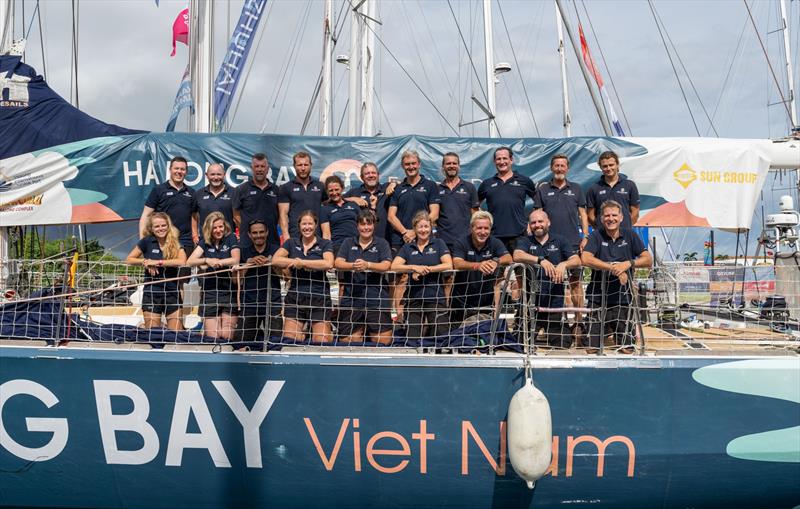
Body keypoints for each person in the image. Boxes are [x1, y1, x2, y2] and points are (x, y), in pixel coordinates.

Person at [581, 200, 652, 351]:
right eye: (607, 216)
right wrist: (613, 267)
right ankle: (603, 332)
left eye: (614, 215)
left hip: (623, 298)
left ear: (621, 218)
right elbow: (585, 258)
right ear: (601, 219)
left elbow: (648, 259)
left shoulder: (630, 235)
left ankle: (612, 332)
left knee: (627, 348)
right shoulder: (596, 236)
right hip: (598, 298)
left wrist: (628, 263)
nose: (610, 218)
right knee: (591, 348)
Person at [533, 154, 589, 335]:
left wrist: (585, 236)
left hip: (572, 243)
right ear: (551, 168)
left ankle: (579, 323)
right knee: (547, 284)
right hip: (550, 245)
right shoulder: (542, 190)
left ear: (567, 168)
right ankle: (548, 322)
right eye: (556, 165)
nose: (559, 168)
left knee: (575, 284)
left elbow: (583, 214)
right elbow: (538, 216)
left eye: (562, 165)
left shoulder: (577, 189)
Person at [513, 210, 581, 347]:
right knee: (519, 344)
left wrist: (564, 264)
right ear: (529, 225)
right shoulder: (525, 241)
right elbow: (517, 255)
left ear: (548, 222)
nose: (537, 225)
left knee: (563, 344)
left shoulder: (560, 240)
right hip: (530, 305)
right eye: (533, 222)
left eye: (540, 221)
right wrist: (540, 260)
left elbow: (576, 260)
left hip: (554, 305)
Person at [271, 211, 335, 343]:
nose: (307, 227)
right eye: (304, 224)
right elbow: (275, 260)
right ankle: (303, 336)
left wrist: (303, 262)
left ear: (316, 225)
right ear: (299, 226)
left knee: (321, 340)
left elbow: (328, 263)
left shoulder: (325, 244)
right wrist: (293, 262)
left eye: (310, 223)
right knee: (290, 339)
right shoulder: (291, 243)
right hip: (296, 296)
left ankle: (317, 333)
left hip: (319, 296)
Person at [391, 211, 453, 341]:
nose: (423, 230)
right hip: (414, 298)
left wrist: (428, 269)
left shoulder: (438, 243)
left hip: (435, 297)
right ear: (414, 229)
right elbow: (394, 266)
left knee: (441, 335)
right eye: (420, 227)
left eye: (426, 226)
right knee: (413, 337)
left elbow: (448, 264)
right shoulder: (408, 247)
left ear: (431, 228)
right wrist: (413, 267)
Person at [334, 209, 393, 344]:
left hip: (376, 298)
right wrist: (353, 266)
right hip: (352, 298)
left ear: (374, 225)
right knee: (349, 341)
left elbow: (386, 265)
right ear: (357, 226)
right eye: (362, 224)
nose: (366, 227)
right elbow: (337, 262)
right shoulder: (348, 242)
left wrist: (368, 265)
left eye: (369, 224)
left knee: (382, 341)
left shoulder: (382, 243)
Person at [125, 212, 187, 331]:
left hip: (172, 291)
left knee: (176, 334)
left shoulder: (175, 241)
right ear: (151, 229)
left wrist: (157, 262)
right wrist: (146, 262)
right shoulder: (146, 241)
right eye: (157, 226)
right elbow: (129, 259)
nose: (160, 229)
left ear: (168, 226)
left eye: (163, 225)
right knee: (153, 334)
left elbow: (182, 261)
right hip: (152, 292)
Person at [450, 211, 512, 327]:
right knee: (458, 338)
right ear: (471, 228)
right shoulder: (461, 242)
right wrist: (478, 265)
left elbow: (508, 257)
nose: (483, 232)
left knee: (484, 338)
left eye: (486, 228)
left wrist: (496, 261)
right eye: (479, 228)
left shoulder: (495, 242)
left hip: (486, 301)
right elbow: (457, 263)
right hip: (461, 301)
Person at [187, 212, 241, 340]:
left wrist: (219, 262)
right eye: (215, 228)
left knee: (226, 335)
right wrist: (206, 260)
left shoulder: (231, 238)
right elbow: (190, 261)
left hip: (229, 292)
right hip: (210, 292)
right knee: (214, 336)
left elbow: (236, 259)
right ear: (209, 229)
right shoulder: (205, 242)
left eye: (220, 227)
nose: (218, 230)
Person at [477, 146, 536, 253]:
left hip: (519, 235)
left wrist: (530, 222)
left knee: (520, 268)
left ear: (511, 160)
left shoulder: (524, 181)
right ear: (495, 162)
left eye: (505, 158)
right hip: (494, 236)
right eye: (498, 159)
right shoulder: (487, 184)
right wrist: (484, 221)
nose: (502, 162)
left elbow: (539, 203)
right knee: (497, 269)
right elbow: (475, 206)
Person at [233, 220, 282, 345]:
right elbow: (235, 280)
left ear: (267, 232)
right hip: (250, 304)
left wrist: (272, 263)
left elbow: (286, 277)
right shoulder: (243, 252)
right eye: (255, 233)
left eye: (261, 232)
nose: (258, 235)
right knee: (240, 342)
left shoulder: (277, 250)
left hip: (272, 303)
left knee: (276, 343)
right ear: (249, 235)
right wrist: (249, 264)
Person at [139, 156, 197, 256]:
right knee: (163, 271)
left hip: (185, 241)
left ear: (186, 172)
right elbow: (145, 215)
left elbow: (194, 217)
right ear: (170, 170)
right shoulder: (158, 190)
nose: (179, 171)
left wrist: (195, 236)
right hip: (162, 241)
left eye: (182, 169)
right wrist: (143, 241)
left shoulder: (191, 192)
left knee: (184, 272)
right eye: (176, 168)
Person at [387, 150, 441, 250]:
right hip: (401, 239)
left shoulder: (430, 185)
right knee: (397, 266)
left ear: (419, 164)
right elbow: (391, 216)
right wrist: (405, 232)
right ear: (403, 166)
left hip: (424, 238)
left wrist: (415, 232)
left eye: (413, 163)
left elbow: (434, 214)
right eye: (407, 164)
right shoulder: (397, 188)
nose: (411, 167)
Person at [232, 153, 279, 247]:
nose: (260, 169)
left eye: (262, 166)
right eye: (256, 166)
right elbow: (236, 215)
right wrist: (247, 230)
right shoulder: (241, 189)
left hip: (272, 241)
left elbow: (280, 214)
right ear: (251, 167)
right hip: (247, 242)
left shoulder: (276, 190)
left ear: (268, 168)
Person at [586, 150, 640, 230]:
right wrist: (600, 228)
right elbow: (590, 215)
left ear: (617, 165)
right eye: (605, 166)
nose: (608, 168)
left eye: (611, 165)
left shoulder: (630, 185)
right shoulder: (594, 188)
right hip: (602, 236)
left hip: (624, 234)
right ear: (600, 167)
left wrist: (626, 227)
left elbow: (635, 213)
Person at [278, 151, 326, 241]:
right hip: (295, 237)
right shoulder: (286, 188)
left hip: (317, 236)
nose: (303, 168)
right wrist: (286, 236)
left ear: (311, 165)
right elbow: (283, 215)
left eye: (306, 165)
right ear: (294, 166)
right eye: (300, 165)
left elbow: (331, 203)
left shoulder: (320, 186)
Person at [344, 162, 396, 242]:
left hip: (386, 240)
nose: (371, 175)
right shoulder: (355, 192)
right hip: (362, 242)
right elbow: (337, 199)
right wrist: (353, 199)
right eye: (367, 173)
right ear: (361, 177)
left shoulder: (386, 188)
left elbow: (404, 184)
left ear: (378, 175)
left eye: (373, 173)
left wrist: (393, 184)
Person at [437, 152, 479, 250]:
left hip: (466, 241)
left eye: (454, 163)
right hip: (443, 241)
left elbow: (475, 216)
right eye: (448, 163)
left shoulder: (470, 187)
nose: (452, 166)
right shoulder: (437, 189)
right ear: (443, 166)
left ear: (458, 166)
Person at [193, 163, 234, 245]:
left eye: (219, 174)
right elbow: (194, 216)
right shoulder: (198, 194)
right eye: (212, 174)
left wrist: (239, 233)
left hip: (228, 240)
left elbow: (238, 216)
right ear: (206, 175)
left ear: (224, 175)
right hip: (205, 241)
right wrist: (195, 235)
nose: (216, 178)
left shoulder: (234, 193)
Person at [320, 175, 361, 253]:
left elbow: (362, 225)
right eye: (331, 190)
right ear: (327, 192)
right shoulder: (324, 209)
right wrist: (328, 251)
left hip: (356, 244)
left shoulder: (353, 204)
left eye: (336, 189)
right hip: (338, 246)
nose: (334, 193)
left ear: (342, 189)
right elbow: (326, 234)